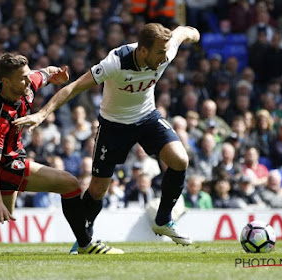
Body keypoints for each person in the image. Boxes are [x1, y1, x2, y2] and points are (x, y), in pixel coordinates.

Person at [14, 23, 200, 252]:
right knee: (98, 189)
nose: (164, 57)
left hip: (147, 117)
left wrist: (193, 34)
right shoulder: (115, 62)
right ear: (142, 51)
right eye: (159, 53)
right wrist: (42, 114)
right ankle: (83, 240)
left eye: (165, 51)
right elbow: (73, 88)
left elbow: (182, 32)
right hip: (113, 125)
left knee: (180, 160)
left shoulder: (166, 50)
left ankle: (162, 220)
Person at [0, 53, 123, 256]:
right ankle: (86, 244)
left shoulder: (26, 83)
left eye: (28, 75)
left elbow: (46, 73)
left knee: (1, 213)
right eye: (23, 77)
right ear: (6, 82)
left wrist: (56, 75)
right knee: (69, 184)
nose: (28, 80)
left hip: (13, 154)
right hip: (4, 163)